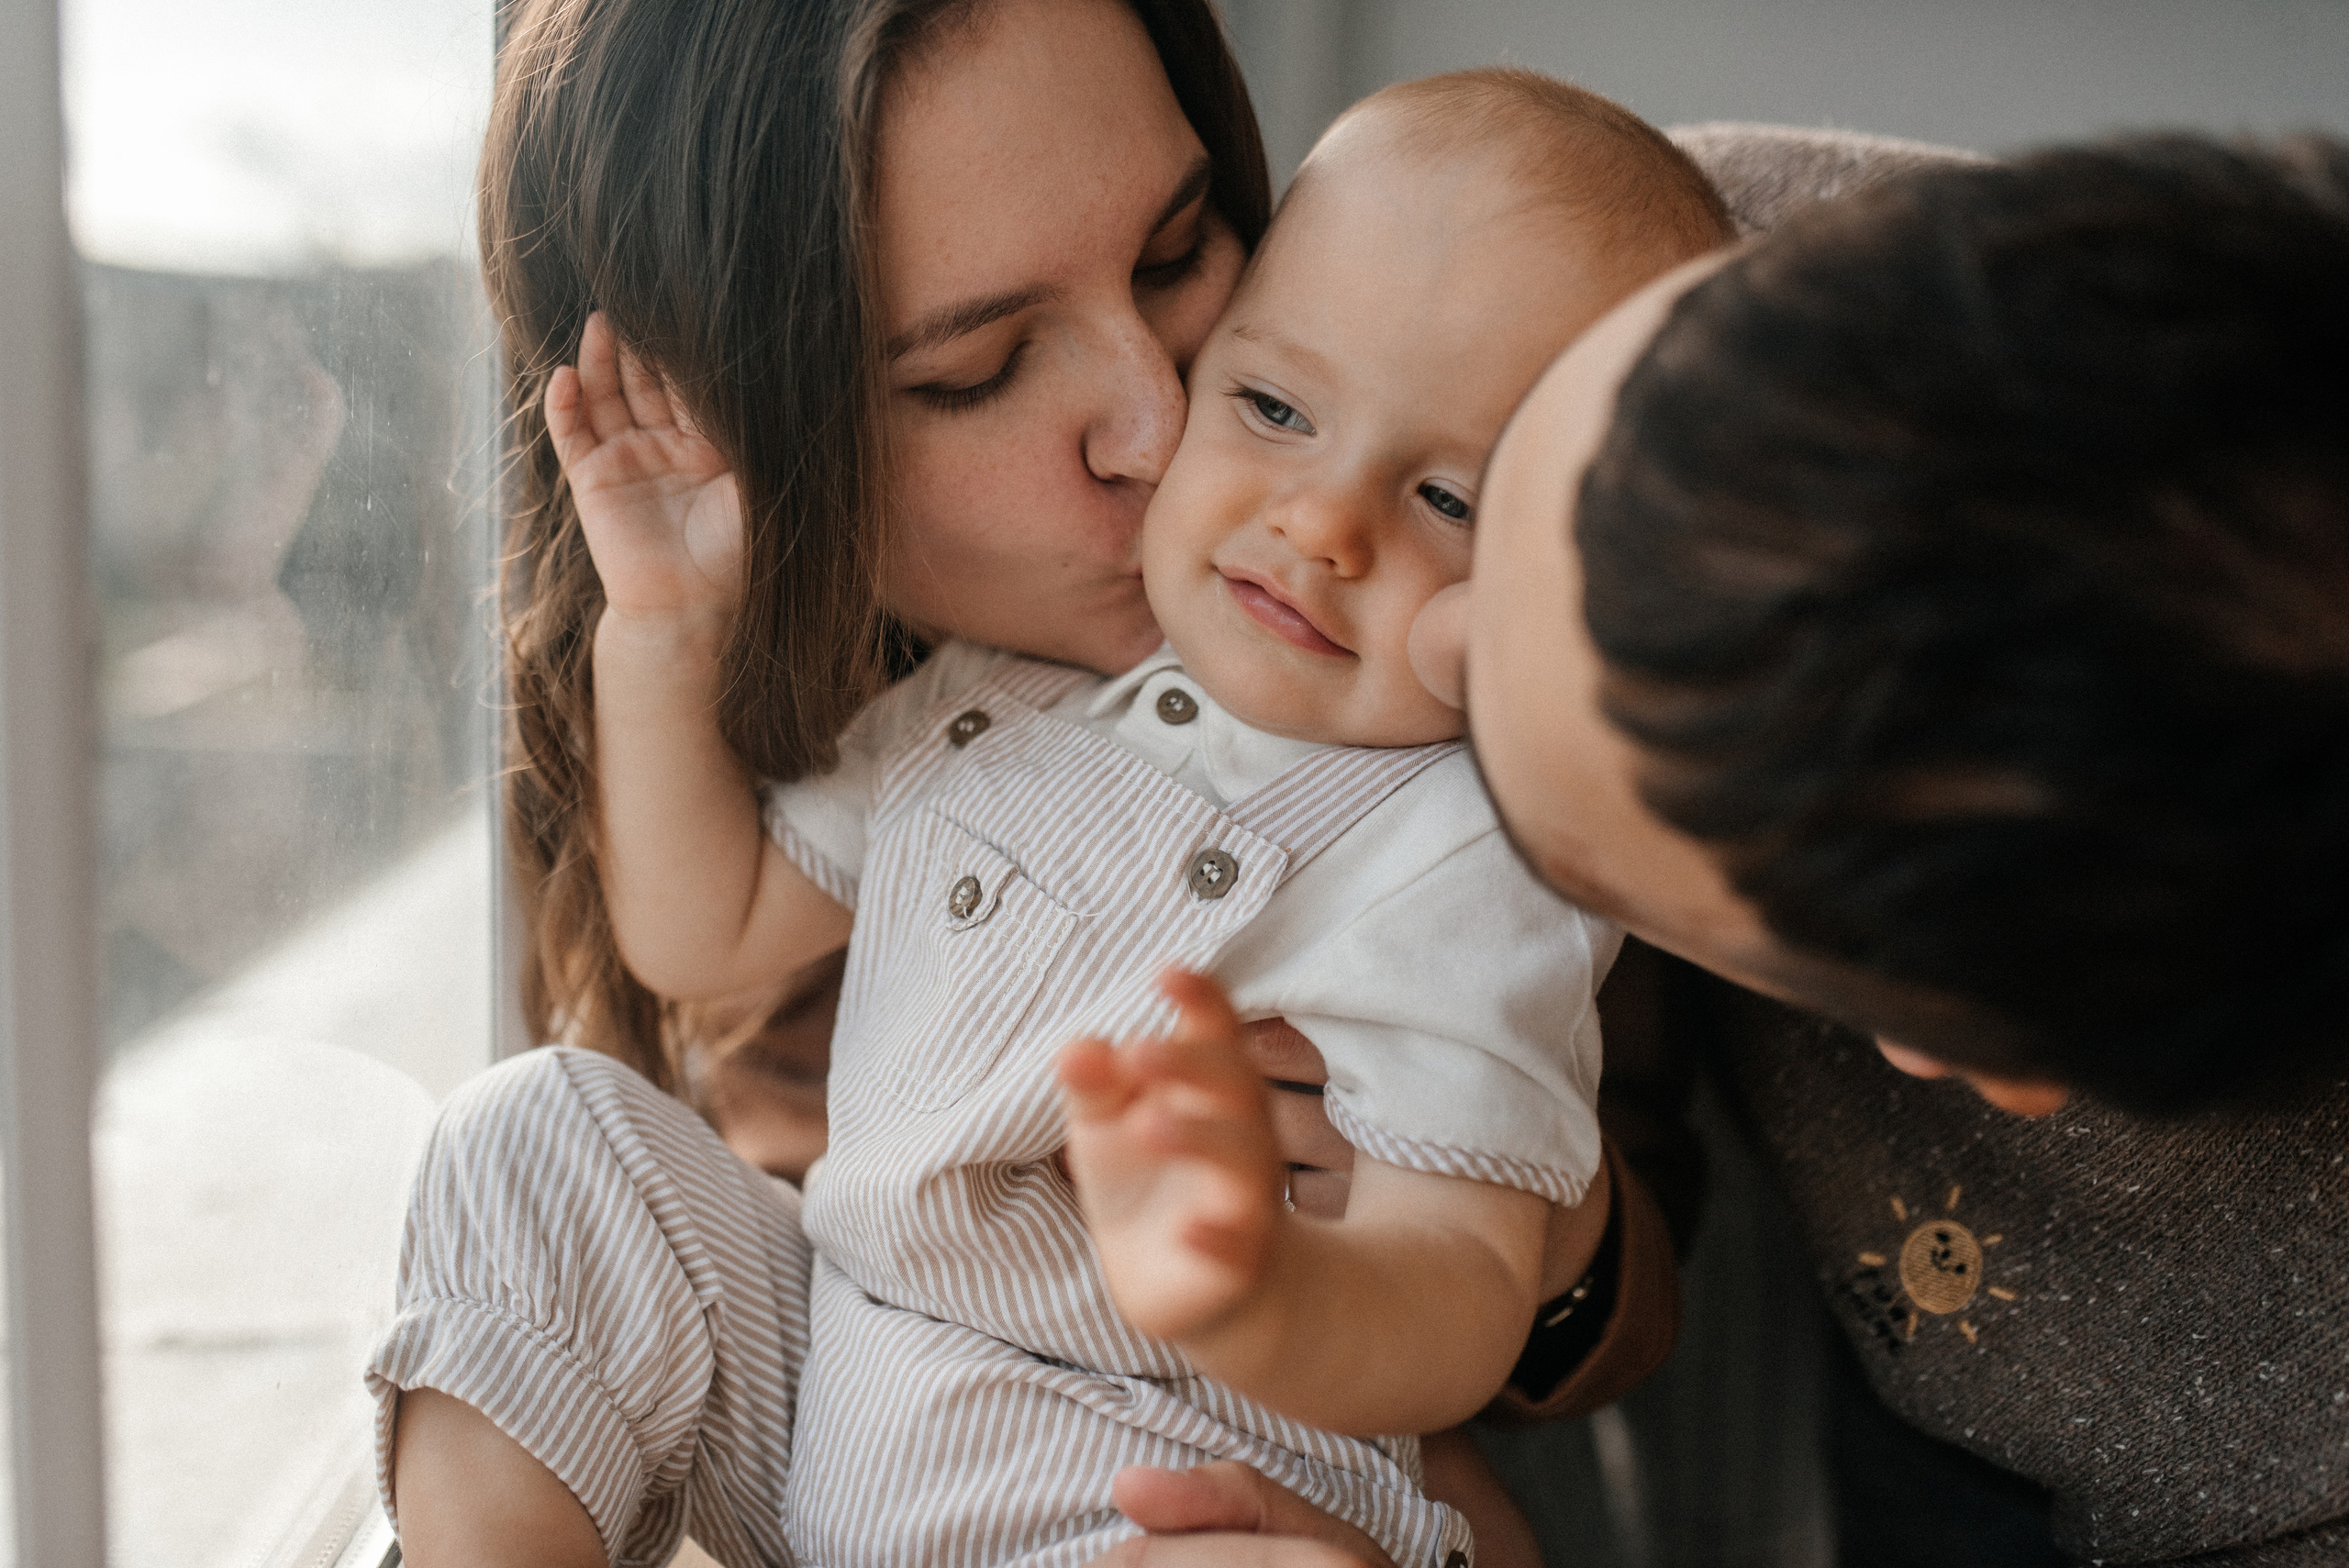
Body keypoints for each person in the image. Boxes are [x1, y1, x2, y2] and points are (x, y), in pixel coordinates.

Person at [372, 4, 1683, 1565]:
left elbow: (1519, 1280)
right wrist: (664, 634)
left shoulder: (1474, 825)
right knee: (528, 1128)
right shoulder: (983, 707)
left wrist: (1299, 1278)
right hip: (846, 1399)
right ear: (765, 440)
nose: (1158, 425)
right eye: (979, 368)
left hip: (1146, 1476)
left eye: (1180, 248)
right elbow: (700, 928)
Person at [1389, 132, 2349, 1565]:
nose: (1427, 631)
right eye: (1504, 464)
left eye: (1566, 849)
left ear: (1942, 1041)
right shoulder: (1710, 244)